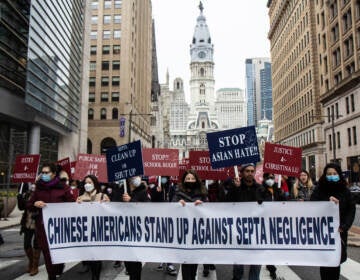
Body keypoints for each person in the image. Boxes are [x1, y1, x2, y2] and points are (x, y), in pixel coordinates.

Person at [27, 162, 75, 280]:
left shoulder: (63, 187)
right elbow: (29, 204)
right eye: (42, 173)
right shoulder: (38, 188)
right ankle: (51, 276)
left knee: (58, 256)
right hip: (43, 228)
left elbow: (72, 203)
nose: (44, 175)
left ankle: (59, 267)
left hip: (60, 228)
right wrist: (35, 203)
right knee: (48, 255)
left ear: (53, 174)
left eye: (46, 172)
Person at [310, 163, 355, 280]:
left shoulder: (345, 191)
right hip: (323, 233)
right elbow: (312, 205)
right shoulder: (319, 189)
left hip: (339, 232)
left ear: (339, 175)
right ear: (325, 175)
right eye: (329, 174)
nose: (332, 176)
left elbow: (351, 209)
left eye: (334, 174)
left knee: (336, 262)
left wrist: (344, 226)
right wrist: (327, 201)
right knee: (324, 263)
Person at [225, 163, 263, 280]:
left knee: (256, 259)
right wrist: (235, 189)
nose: (250, 173)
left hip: (256, 230)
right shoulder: (236, 187)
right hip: (239, 229)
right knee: (238, 258)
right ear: (242, 173)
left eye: (252, 171)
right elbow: (227, 203)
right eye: (247, 171)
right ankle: (237, 277)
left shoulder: (260, 189)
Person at [173, 169, 207, 280]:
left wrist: (203, 205)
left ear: (196, 180)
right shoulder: (178, 193)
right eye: (188, 178)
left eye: (192, 178)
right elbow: (170, 207)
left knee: (193, 264)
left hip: (197, 233)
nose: (190, 180)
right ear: (183, 180)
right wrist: (177, 204)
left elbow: (209, 210)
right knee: (186, 263)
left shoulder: (202, 193)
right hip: (183, 233)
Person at [76, 174, 110, 280]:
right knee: (90, 258)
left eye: (90, 182)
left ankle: (96, 277)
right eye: (86, 182)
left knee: (96, 258)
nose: (87, 184)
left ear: (95, 184)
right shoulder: (80, 198)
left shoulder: (102, 196)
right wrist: (76, 205)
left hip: (99, 231)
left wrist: (106, 204)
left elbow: (110, 212)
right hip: (86, 232)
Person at [259, 173, 286, 280]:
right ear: (264, 179)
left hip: (276, 221)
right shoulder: (260, 189)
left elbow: (283, 202)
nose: (270, 179)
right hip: (265, 221)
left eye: (272, 178)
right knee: (267, 245)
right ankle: (271, 268)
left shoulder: (277, 189)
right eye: (268, 178)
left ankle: (271, 264)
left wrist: (282, 194)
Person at [122, 175, 150, 280]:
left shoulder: (142, 192)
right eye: (134, 176)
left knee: (135, 264)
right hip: (123, 231)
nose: (137, 178)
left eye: (138, 176)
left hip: (137, 231)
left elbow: (147, 208)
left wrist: (131, 201)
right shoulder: (122, 190)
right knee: (128, 263)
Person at [17, 183, 40, 276]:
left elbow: (35, 206)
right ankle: (31, 261)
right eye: (32, 184)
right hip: (27, 223)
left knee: (36, 245)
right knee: (26, 244)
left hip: (38, 223)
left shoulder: (41, 194)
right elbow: (21, 207)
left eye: (34, 184)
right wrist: (19, 198)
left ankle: (35, 266)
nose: (33, 186)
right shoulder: (26, 194)